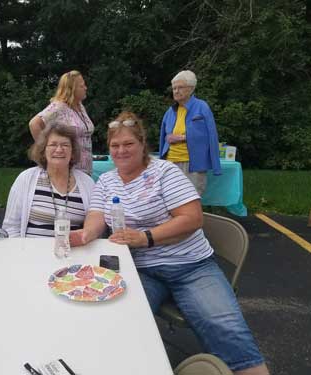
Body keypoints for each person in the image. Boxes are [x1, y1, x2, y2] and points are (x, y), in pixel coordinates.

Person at [71, 111, 269, 375]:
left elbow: (192, 218)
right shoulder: (107, 180)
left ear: (143, 144)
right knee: (116, 322)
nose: (121, 150)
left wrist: (145, 237)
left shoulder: (164, 171)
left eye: (128, 143)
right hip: (139, 269)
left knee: (225, 328)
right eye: (115, 145)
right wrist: (87, 234)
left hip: (191, 266)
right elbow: (96, 215)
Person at [3, 123, 95, 238]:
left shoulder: (87, 183)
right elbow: (11, 226)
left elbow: (94, 225)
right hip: (30, 253)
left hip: (71, 252)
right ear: (43, 151)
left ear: (72, 152)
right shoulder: (26, 178)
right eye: (53, 145)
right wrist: (21, 252)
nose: (59, 149)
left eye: (65, 145)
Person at [159, 70, 221, 196]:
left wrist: (182, 137)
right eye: (174, 88)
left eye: (180, 87)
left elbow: (211, 136)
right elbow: (163, 138)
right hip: (170, 162)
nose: (176, 91)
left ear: (191, 89)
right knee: (170, 198)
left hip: (193, 163)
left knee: (192, 198)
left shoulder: (202, 107)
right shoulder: (170, 111)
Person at [29, 70, 94, 175]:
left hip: (86, 170)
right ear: (72, 89)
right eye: (82, 86)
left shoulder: (80, 107)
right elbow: (34, 124)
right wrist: (45, 150)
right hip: (69, 169)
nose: (85, 88)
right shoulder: (59, 107)